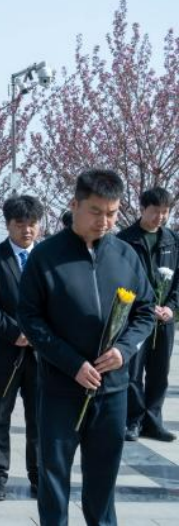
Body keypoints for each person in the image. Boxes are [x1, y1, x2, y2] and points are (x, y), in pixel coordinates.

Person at [18, 169, 155, 526]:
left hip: (113, 392)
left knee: (103, 481)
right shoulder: (45, 257)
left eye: (112, 213)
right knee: (53, 477)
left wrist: (124, 350)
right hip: (61, 390)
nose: (104, 221)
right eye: (96, 211)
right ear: (74, 205)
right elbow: (30, 318)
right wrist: (72, 363)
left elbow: (145, 312)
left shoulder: (126, 255)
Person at [0, 195, 43, 501]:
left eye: (32, 223)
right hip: (3, 351)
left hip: (42, 354)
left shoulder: (48, 257)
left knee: (40, 418)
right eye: (20, 223)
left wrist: (40, 334)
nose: (27, 230)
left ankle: (39, 474)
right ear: (8, 225)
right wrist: (14, 332)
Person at [117, 187, 178, 442]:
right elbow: (118, 279)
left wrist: (171, 308)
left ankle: (153, 422)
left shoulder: (172, 240)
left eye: (165, 212)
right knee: (133, 372)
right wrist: (141, 306)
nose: (160, 217)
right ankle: (133, 421)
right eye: (155, 211)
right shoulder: (124, 240)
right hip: (135, 319)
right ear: (142, 209)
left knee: (159, 372)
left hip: (164, 319)